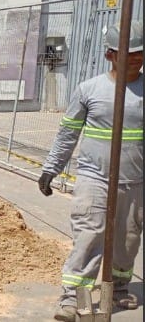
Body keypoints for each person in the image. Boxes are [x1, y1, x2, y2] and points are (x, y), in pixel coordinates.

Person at [39, 20, 143, 322]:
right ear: (110, 54)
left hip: (135, 180)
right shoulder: (89, 90)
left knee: (128, 238)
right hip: (94, 179)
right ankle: (74, 298)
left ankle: (120, 288)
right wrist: (51, 168)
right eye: (128, 53)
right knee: (89, 235)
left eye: (140, 53)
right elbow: (67, 134)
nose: (135, 59)